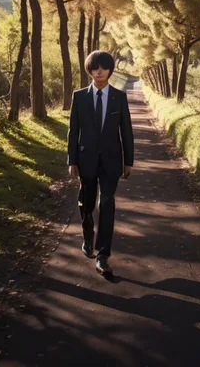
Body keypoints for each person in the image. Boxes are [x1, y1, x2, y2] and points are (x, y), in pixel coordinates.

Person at [67, 50, 134, 276]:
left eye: (103, 67)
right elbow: (73, 131)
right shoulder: (79, 96)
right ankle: (87, 236)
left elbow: (126, 131)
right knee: (86, 205)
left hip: (111, 161)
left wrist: (129, 161)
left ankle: (103, 254)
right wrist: (72, 160)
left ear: (110, 70)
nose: (99, 71)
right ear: (89, 70)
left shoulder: (119, 97)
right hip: (85, 159)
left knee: (107, 203)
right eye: (95, 67)